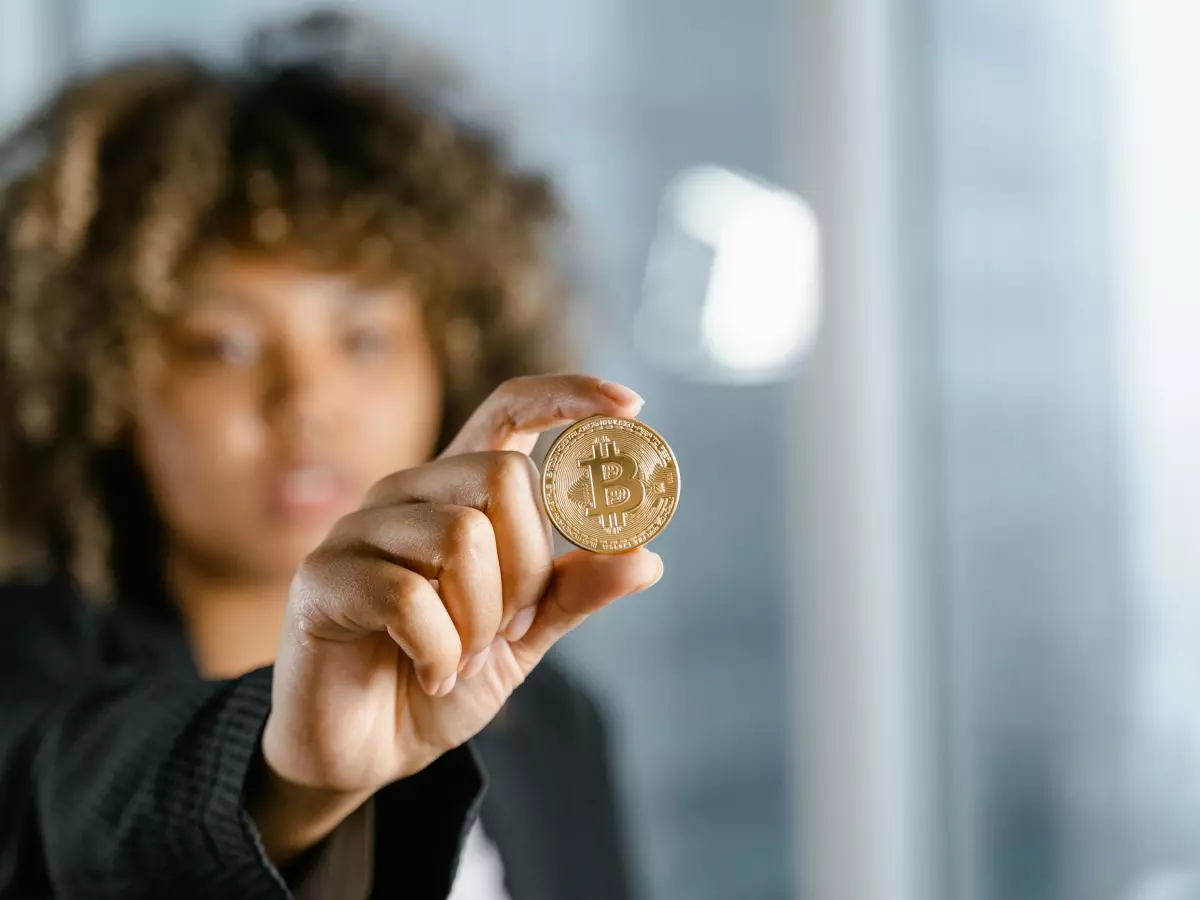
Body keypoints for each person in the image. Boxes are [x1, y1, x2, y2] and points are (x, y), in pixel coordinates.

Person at [0, 11, 656, 900]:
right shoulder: (23, 672)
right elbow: (65, 805)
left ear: (449, 358)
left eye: (364, 337)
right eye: (223, 346)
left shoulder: (549, 716)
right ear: (105, 386)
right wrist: (290, 774)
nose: (306, 403)